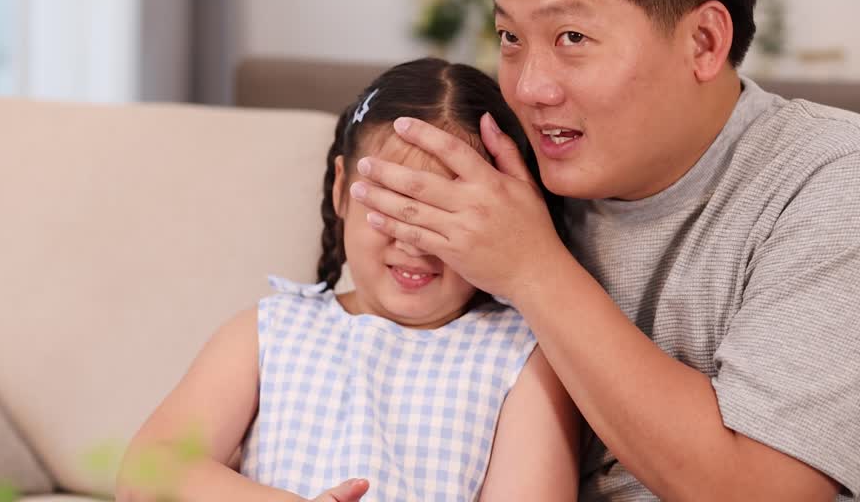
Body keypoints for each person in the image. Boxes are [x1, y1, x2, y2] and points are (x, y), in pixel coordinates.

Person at [349, 0, 860, 501]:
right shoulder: (520, 181)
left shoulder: (847, 186)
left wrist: (531, 268)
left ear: (704, 42)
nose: (530, 87)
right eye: (510, 36)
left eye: (571, 36)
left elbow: (758, 493)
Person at [116, 58, 580, 502]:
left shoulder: (520, 355)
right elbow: (148, 472)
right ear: (342, 189)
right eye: (391, 206)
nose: (414, 241)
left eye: (446, 216)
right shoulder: (272, 332)